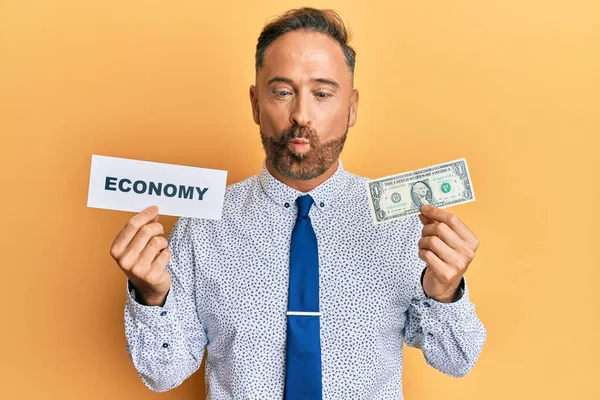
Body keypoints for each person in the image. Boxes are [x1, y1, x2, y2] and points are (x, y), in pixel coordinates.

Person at [109, 7, 486, 399]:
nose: (301, 115)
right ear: (256, 104)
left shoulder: (405, 225)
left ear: (352, 107)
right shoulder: (202, 225)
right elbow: (162, 373)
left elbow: (456, 361)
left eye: (322, 93)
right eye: (282, 92)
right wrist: (151, 296)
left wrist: (446, 291)